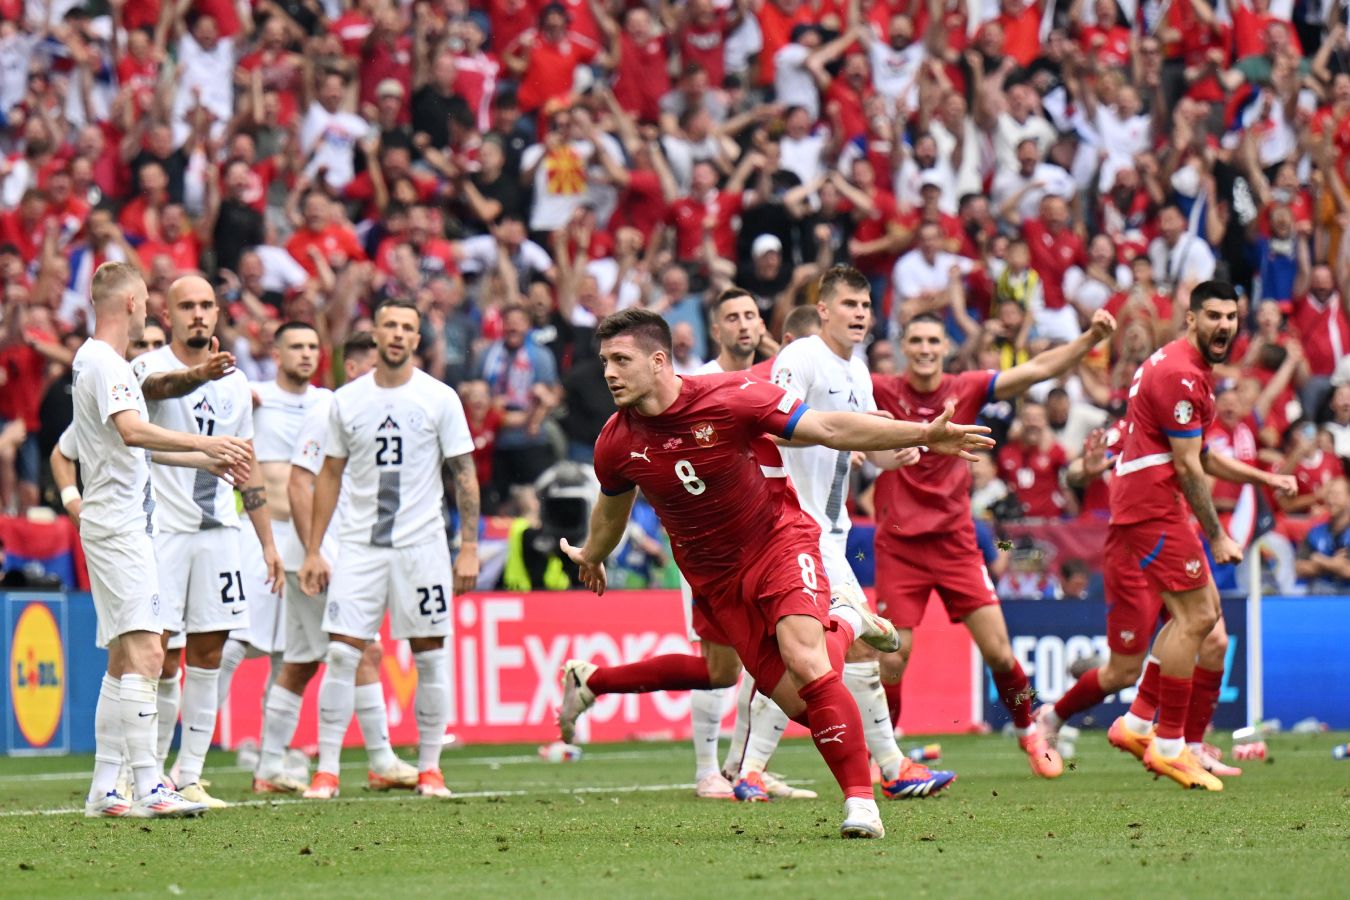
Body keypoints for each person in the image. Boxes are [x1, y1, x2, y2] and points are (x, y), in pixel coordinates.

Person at [555, 308, 994, 839]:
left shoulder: (731, 396)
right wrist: (594, 553)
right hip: (716, 584)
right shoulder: (615, 442)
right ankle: (849, 624)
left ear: (658, 360)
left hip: (779, 542)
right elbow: (611, 509)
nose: (609, 372)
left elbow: (829, 427)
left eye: (620, 360)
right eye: (604, 361)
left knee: (807, 660)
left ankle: (861, 804)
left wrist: (926, 433)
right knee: (802, 702)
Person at [869, 308, 1117, 779]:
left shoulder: (964, 388)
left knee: (1000, 652)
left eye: (932, 341)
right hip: (898, 544)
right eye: (916, 340)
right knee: (894, 656)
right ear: (904, 347)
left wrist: (1088, 338)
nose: (924, 349)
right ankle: (890, 758)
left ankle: (1029, 731)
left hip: (956, 543)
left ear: (945, 348)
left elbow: (1038, 369)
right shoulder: (879, 389)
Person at [756, 265, 956, 800]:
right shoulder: (799, 358)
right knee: (857, 649)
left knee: (812, 652)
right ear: (823, 310)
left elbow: (874, 447)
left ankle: (748, 770)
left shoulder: (859, 371)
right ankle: (891, 768)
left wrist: (903, 451)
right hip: (795, 529)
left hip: (832, 532)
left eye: (866, 306)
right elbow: (775, 428)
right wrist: (836, 432)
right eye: (849, 305)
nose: (860, 315)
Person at [68, 262, 250, 818]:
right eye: (145, 301)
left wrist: (204, 456)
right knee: (150, 649)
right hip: (123, 526)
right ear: (129, 303)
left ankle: (105, 787)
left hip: (112, 520)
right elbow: (132, 430)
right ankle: (150, 783)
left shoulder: (90, 360)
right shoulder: (111, 364)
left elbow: (134, 447)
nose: (148, 310)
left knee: (124, 658)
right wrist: (204, 440)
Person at [298, 300, 480, 800]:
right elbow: (329, 474)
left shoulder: (439, 398)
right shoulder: (346, 400)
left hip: (421, 548)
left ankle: (429, 769)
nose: (398, 335)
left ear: (417, 339)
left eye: (407, 328)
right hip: (360, 547)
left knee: (429, 655)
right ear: (375, 334)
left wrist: (468, 547)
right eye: (390, 326)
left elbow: (464, 473)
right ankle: (328, 771)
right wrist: (314, 550)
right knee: (340, 652)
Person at [1041, 423, 1294, 775]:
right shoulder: (1128, 429)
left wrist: (1262, 479)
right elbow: (1075, 473)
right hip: (1135, 550)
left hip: (1178, 538)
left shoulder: (1183, 422)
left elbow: (1207, 459)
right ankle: (1053, 716)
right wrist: (1088, 466)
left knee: (1214, 640)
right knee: (1123, 671)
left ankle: (1188, 745)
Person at [130, 275, 285, 808]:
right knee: (157, 655)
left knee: (209, 654)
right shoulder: (147, 366)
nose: (197, 314)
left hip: (220, 533)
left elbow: (245, 462)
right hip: (163, 532)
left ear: (217, 313)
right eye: (186, 306)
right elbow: (158, 392)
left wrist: (265, 542)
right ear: (167, 315)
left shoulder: (236, 385)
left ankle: (188, 773)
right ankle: (141, 771)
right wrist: (197, 374)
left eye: (206, 306)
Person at [1096, 280, 1252, 791]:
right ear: (1191, 318)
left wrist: (1264, 479)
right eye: (1213, 315)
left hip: (1151, 505)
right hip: (1153, 507)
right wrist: (1220, 535)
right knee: (1199, 618)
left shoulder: (1187, 368)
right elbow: (1189, 466)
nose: (1223, 325)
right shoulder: (1182, 374)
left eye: (1230, 316)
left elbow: (1195, 456)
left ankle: (1142, 724)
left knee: (1200, 617)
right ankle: (1169, 745)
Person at [252, 332, 417, 794]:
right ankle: (380, 759)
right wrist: (313, 552)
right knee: (364, 650)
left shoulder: (372, 413)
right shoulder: (331, 409)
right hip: (323, 555)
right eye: (371, 368)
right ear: (352, 368)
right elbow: (299, 484)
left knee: (301, 661)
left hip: (334, 551)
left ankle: (268, 768)